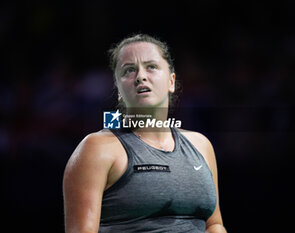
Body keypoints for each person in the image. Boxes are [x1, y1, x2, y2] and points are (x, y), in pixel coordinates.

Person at [63, 34, 227, 233]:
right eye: (129, 70)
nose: (140, 76)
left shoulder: (201, 145)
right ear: (119, 91)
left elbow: (214, 224)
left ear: (171, 81)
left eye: (151, 66)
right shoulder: (96, 148)